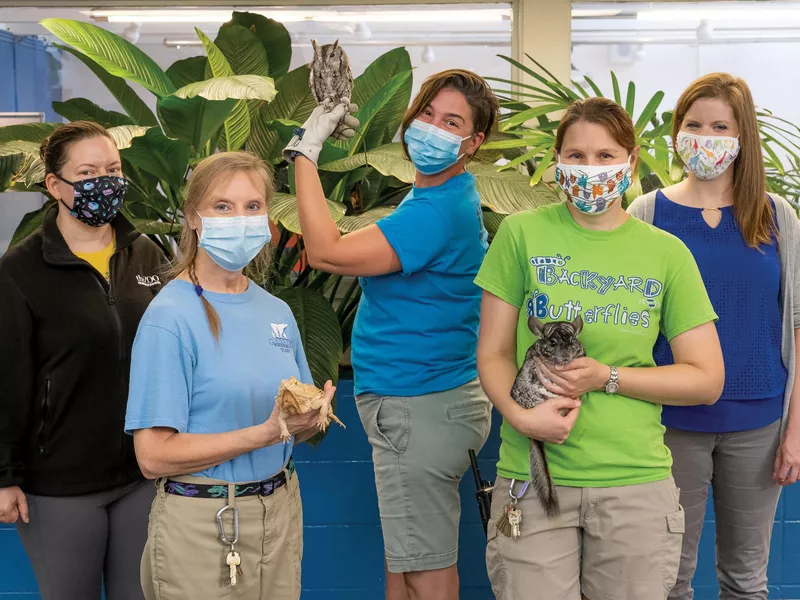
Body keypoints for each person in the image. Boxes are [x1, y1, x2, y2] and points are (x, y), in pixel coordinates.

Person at [475, 97, 726, 600]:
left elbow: (706, 379)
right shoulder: (521, 235)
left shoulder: (666, 253)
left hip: (635, 484)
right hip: (532, 476)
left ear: (631, 163)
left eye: (606, 156)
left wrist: (606, 376)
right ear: (557, 159)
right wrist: (519, 418)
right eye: (577, 156)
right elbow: (494, 353)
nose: (590, 169)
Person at [282, 69, 496, 600]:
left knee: (424, 568)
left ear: (473, 143)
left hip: (419, 406)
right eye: (427, 113)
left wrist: (305, 152)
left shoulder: (437, 213)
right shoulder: (437, 196)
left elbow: (327, 251)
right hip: (429, 401)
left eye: (452, 122)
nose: (432, 128)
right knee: (407, 561)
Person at [125, 151, 329, 600]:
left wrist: (314, 411)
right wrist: (265, 433)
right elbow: (153, 457)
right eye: (223, 207)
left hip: (279, 512)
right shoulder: (170, 317)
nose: (241, 219)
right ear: (194, 218)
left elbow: (293, 410)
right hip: (203, 525)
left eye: (253, 207)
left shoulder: (278, 312)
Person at [627, 73, 800, 600]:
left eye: (720, 125)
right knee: (667, 579)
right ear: (678, 132)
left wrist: (795, 431)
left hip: (758, 423)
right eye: (694, 124)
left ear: (742, 135)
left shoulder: (775, 216)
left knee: (746, 581)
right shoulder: (647, 214)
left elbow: (796, 323)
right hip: (669, 423)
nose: (705, 135)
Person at [0, 121, 166, 600]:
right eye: (88, 172)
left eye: (113, 169)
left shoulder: (146, 254)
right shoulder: (19, 271)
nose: (105, 182)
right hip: (60, 486)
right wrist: (4, 476)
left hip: (141, 474)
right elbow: (6, 381)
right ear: (54, 185)